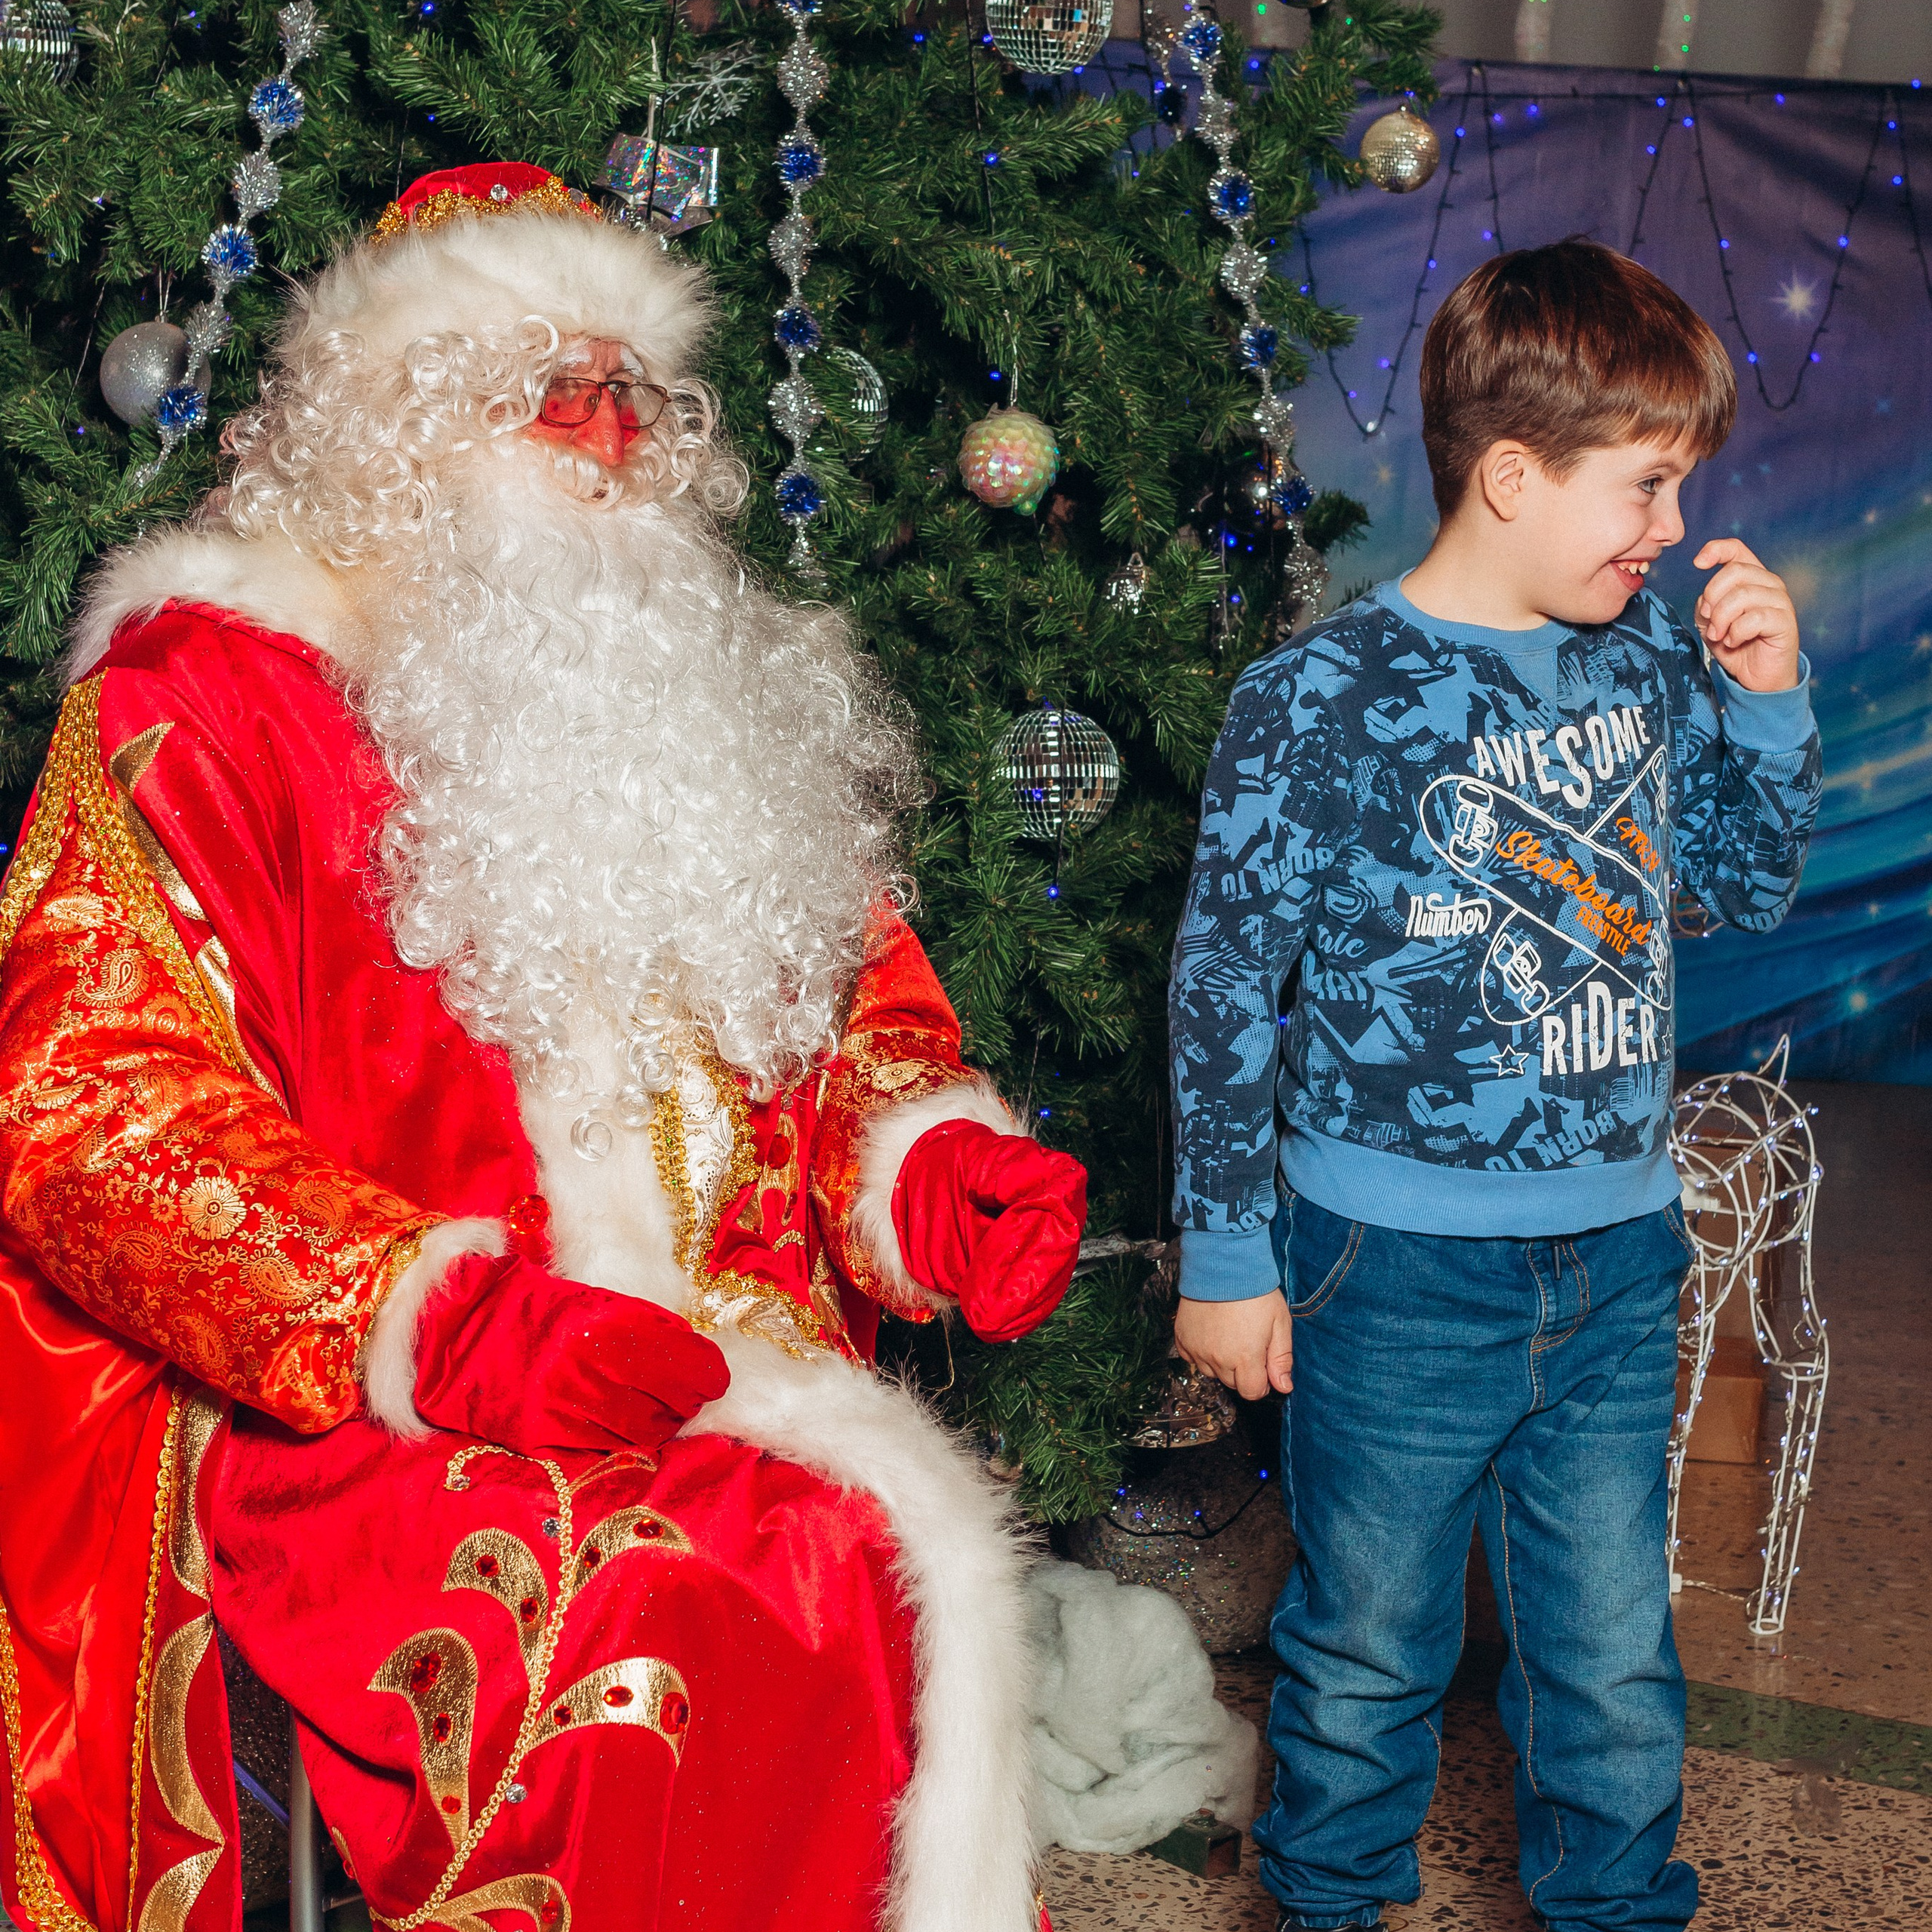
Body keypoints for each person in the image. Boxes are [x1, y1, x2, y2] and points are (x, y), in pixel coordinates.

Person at [0, 162, 1088, 1932]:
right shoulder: (204, 703)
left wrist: (927, 1165)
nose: (605, 436)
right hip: (366, 1402)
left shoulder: (706, 696)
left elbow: (845, 1020)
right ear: (393, 426)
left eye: (630, 393)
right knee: (686, 1584)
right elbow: (89, 1110)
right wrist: (438, 1314)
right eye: (544, 391)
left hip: (718, 1351)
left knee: (856, 1547)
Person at [1167, 239, 1823, 1932]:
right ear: (1513, 476)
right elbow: (1226, 981)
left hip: (1616, 1257)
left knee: (1609, 1649)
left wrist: (1762, 709)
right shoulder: (1313, 699)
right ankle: (1326, 1904)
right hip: (1389, 1272)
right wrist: (1226, 1255)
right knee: (1367, 1646)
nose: (1672, 527)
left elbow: (1740, 889)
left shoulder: (1646, 657)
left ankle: (1617, 1906)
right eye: (1645, 485)